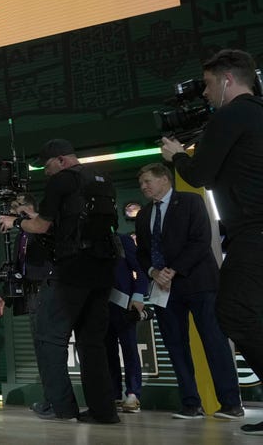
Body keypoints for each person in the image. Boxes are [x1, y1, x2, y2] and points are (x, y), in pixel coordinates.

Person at [160, 48, 263, 434]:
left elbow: (201, 173)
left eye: (206, 85)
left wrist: (176, 156)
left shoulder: (231, 114)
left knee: (233, 313)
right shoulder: (256, 114)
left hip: (254, 233)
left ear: (227, 81)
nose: (203, 94)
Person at [0, 139, 119, 424]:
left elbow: (42, 226)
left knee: (49, 337)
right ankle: (104, 411)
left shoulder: (62, 181)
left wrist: (14, 221)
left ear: (62, 160)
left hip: (74, 268)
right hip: (103, 268)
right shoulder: (102, 179)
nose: (46, 172)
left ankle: (61, 407)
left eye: (48, 166)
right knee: (92, 342)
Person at [135, 162, 242, 420]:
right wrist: (153, 272)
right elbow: (142, 253)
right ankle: (190, 404)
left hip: (198, 283)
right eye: (141, 184)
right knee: (175, 345)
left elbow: (200, 240)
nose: (144, 187)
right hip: (162, 289)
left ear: (164, 179)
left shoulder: (191, 201)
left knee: (214, 341)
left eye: (148, 181)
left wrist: (173, 270)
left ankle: (230, 404)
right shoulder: (143, 214)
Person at [0, 194, 53, 416]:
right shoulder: (22, 237)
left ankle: (57, 401)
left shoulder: (45, 230)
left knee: (49, 349)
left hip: (49, 292)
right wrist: (5, 297)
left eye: (18, 207)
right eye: (13, 208)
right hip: (31, 297)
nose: (14, 211)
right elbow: (19, 270)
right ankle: (50, 399)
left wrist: (29, 218)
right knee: (41, 350)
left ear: (30, 208)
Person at [105, 233, 148, 413]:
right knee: (107, 351)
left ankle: (133, 394)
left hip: (124, 304)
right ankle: (113, 394)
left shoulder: (121, 239)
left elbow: (140, 267)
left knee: (129, 348)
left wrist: (138, 295)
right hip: (100, 305)